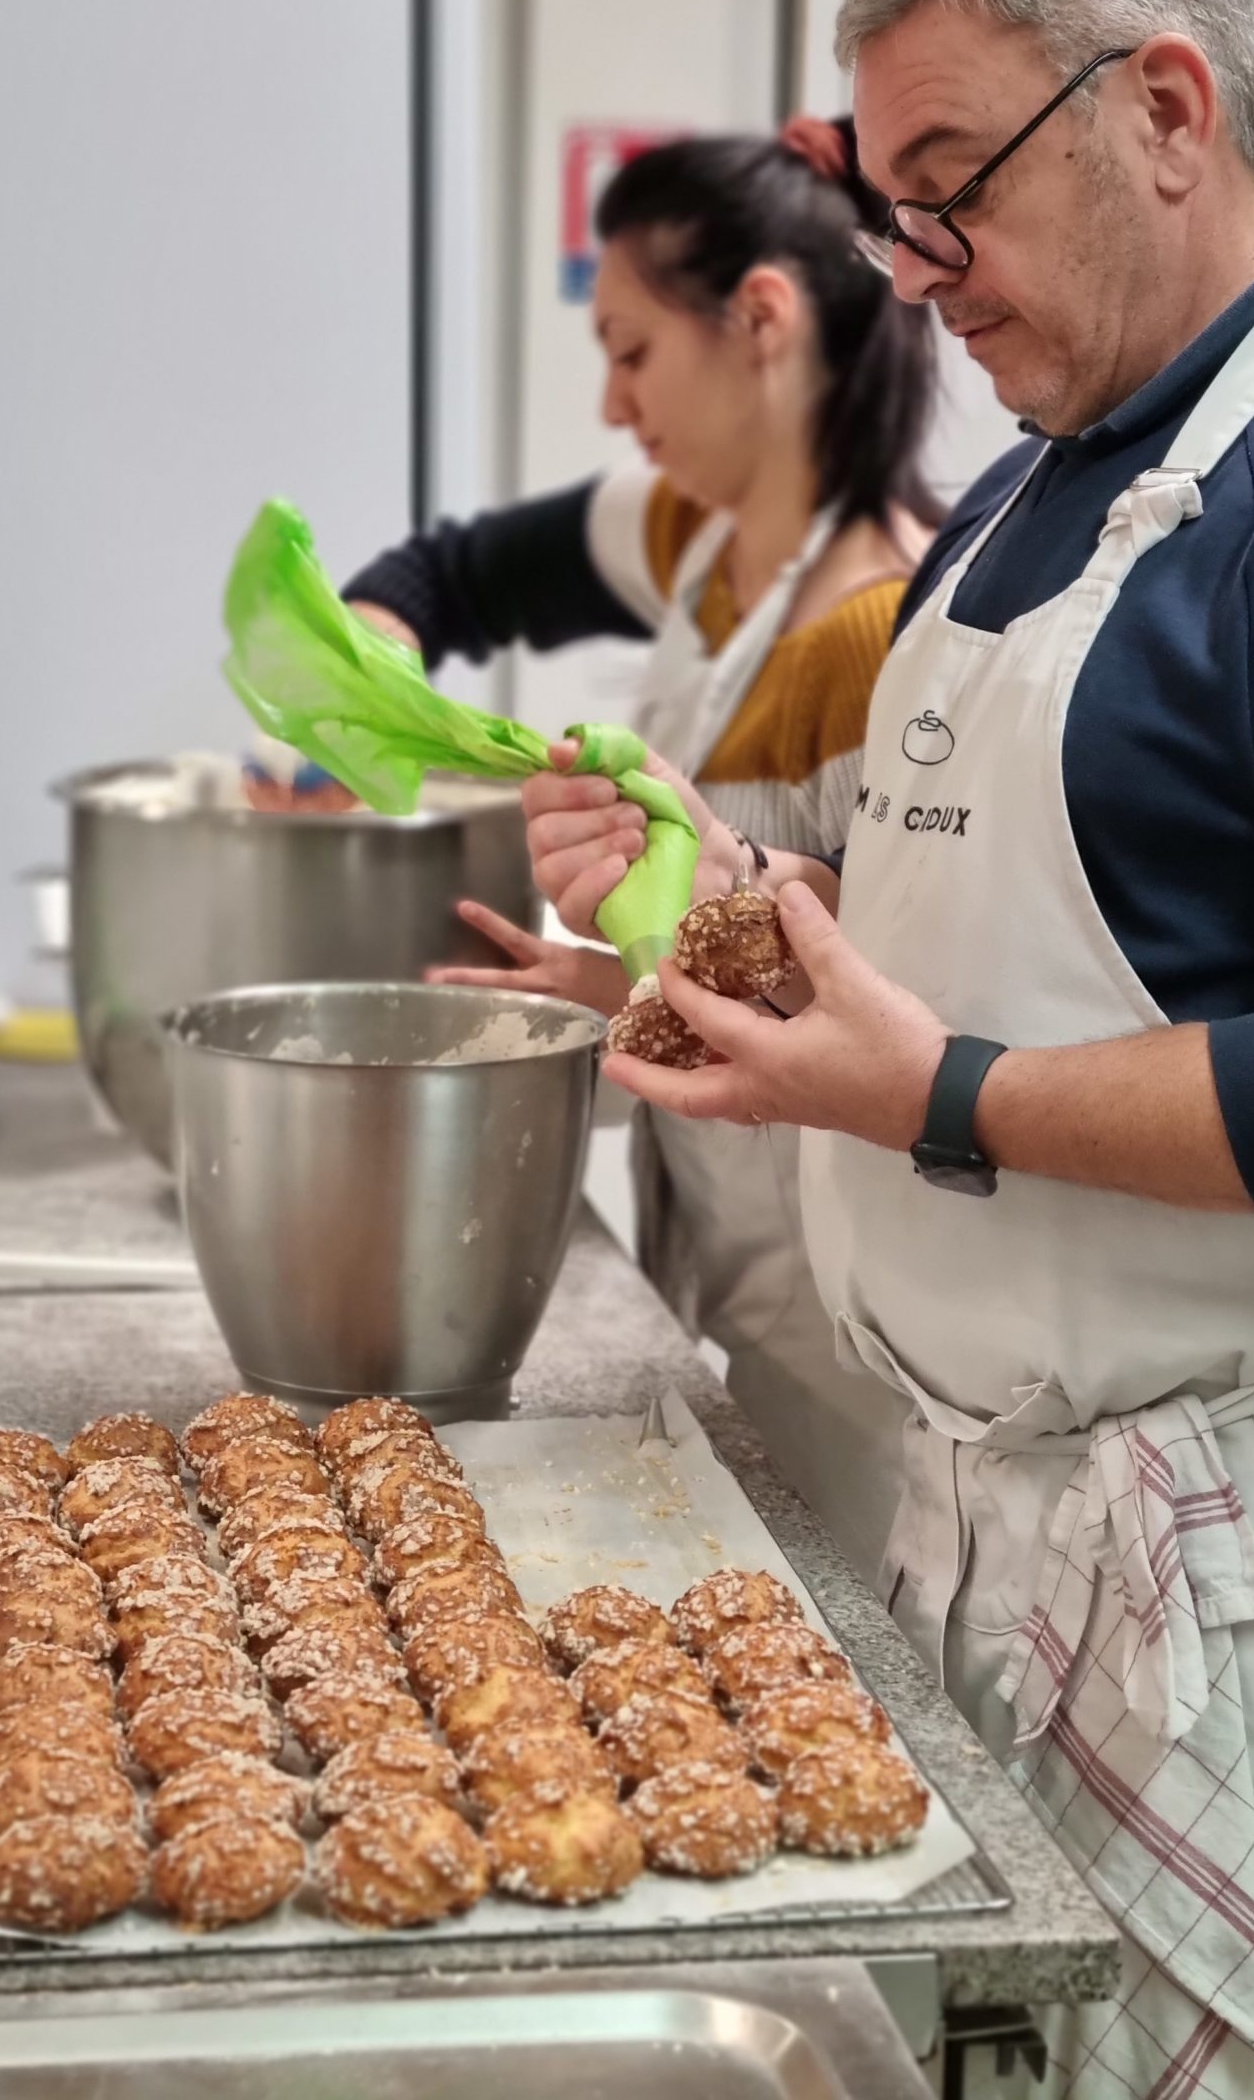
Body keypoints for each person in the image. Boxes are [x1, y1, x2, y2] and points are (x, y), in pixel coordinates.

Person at [526, 0, 1254, 2099]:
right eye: (885, 204)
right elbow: (969, 920)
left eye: (949, 185)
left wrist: (929, 1092)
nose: (910, 269)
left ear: (1164, 109)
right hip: (974, 1527)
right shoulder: (1033, 486)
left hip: (1215, 1576)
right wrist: (707, 919)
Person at [344, 128, 939, 1571]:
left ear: (762, 321)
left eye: (631, 353)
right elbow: (450, 574)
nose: (614, 406)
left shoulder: (896, 639)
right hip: (724, 1248)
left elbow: (893, 999)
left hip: (859, 1305)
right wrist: (362, 664)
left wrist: (645, 971)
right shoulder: (693, 533)